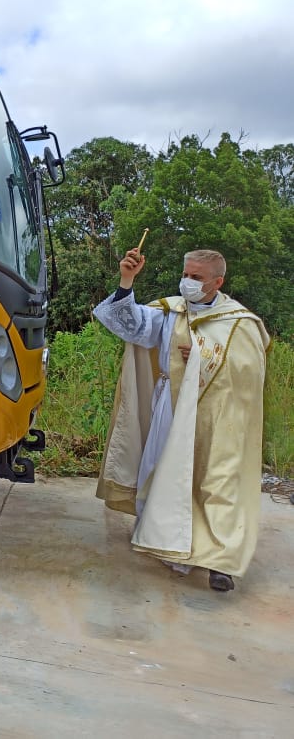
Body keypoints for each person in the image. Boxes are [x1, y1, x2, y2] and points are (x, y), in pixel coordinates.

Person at [93, 248, 269, 592]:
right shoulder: (172, 311)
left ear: (218, 282)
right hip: (170, 408)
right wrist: (127, 280)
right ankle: (162, 537)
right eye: (186, 274)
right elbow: (130, 325)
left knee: (218, 482)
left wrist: (206, 356)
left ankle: (220, 562)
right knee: (162, 470)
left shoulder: (239, 321)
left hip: (218, 416)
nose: (187, 282)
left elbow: (251, 369)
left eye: (197, 277)